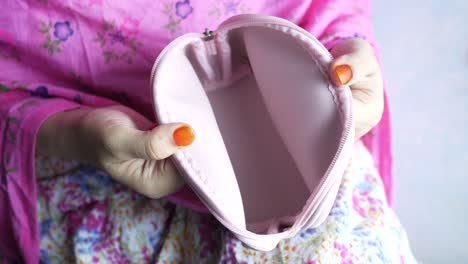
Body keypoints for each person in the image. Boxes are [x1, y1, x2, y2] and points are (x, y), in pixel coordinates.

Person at [0, 0, 416, 263]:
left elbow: (336, 9)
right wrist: (73, 133)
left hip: (321, 171)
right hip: (93, 184)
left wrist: (348, 58)